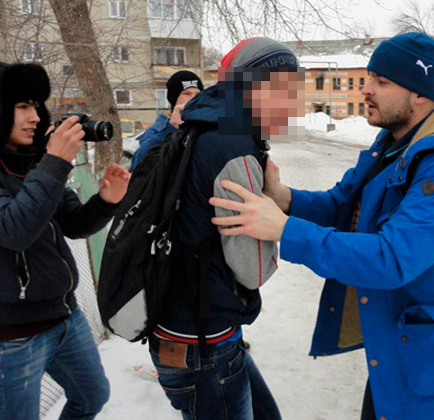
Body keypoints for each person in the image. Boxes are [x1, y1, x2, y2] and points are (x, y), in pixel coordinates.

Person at [210, 32, 434, 420]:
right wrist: (284, 198)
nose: (366, 90)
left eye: (382, 82)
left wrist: (285, 229)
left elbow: (391, 259)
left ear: (420, 94)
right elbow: (342, 206)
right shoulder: (391, 144)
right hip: (397, 353)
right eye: (369, 77)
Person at [147, 37, 302, 419]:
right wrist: (271, 212)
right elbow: (253, 270)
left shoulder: (199, 127)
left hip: (186, 328)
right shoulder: (234, 147)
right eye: (283, 90)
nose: (292, 105)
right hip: (203, 347)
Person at [0, 62, 130, 419]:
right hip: (12, 335)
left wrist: (106, 201)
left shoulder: (33, 162)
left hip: (64, 317)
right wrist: (54, 161)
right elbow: (13, 229)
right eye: (22, 106)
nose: (36, 116)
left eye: (36, 105)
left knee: (92, 397)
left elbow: (73, 223)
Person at [130, 70, 203, 170]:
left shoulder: (203, 126)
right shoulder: (159, 130)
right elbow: (138, 164)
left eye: (198, 94)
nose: (193, 99)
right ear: (174, 98)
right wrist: (172, 128)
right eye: (187, 93)